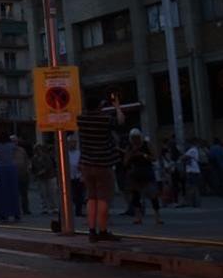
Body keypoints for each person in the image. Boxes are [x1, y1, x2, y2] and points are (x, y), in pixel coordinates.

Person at [77, 95, 125, 242]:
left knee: (91, 197)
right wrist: (117, 107)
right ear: (99, 106)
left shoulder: (81, 119)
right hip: (103, 163)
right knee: (103, 198)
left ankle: (92, 230)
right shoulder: (104, 119)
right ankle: (102, 230)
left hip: (86, 164)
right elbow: (120, 121)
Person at [123, 130, 162, 226]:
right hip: (135, 173)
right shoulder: (129, 147)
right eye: (133, 138)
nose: (135, 140)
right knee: (135, 196)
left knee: (153, 195)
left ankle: (157, 217)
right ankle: (138, 217)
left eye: (137, 137)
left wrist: (143, 155)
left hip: (147, 171)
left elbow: (154, 157)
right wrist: (132, 154)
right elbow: (125, 162)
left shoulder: (146, 145)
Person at [0, 133, 21, 222]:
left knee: (1, 193)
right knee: (13, 192)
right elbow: (17, 153)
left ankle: (3, 213)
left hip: (1, 169)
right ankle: (16, 213)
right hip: (11, 169)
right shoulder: (12, 146)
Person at [31, 142, 57, 215]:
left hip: (50, 177)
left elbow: (48, 166)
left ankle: (53, 207)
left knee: (51, 193)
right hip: (41, 178)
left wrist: (41, 172)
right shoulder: (34, 158)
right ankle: (44, 208)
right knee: (43, 193)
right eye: (36, 150)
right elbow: (33, 168)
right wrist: (34, 175)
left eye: (39, 149)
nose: (38, 151)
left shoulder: (46, 157)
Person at [180, 139, 202, 208]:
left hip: (192, 171)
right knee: (194, 187)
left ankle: (194, 202)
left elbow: (183, 157)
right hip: (195, 171)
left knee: (192, 187)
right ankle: (195, 202)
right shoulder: (195, 150)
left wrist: (182, 156)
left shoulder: (192, 150)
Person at [67, 134, 85, 217]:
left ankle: (79, 211)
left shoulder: (79, 153)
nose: (72, 144)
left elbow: (82, 163)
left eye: (74, 142)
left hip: (78, 176)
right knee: (72, 195)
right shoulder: (65, 154)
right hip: (69, 177)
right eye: (71, 142)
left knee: (80, 195)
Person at [13, 137, 31, 216]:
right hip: (13, 174)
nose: (14, 143)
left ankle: (25, 209)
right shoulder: (9, 151)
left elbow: (26, 160)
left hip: (23, 174)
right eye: (13, 141)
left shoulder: (22, 150)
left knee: (24, 193)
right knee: (15, 193)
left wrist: (28, 168)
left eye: (16, 141)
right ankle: (16, 210)